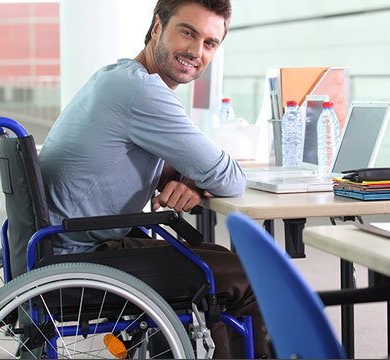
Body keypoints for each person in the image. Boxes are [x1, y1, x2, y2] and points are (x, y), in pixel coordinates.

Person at [39, 0, 269, 357]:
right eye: (187, 33)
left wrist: (189, 179)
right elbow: (229, 179)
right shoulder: (143, 92)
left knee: (216, 257)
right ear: (157, 27)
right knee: (249, 274)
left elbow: (151, 163)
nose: (196, 51)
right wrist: (198, 175)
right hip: (80, 260)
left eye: (210, 43)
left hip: (63, 243)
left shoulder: (116, 75)